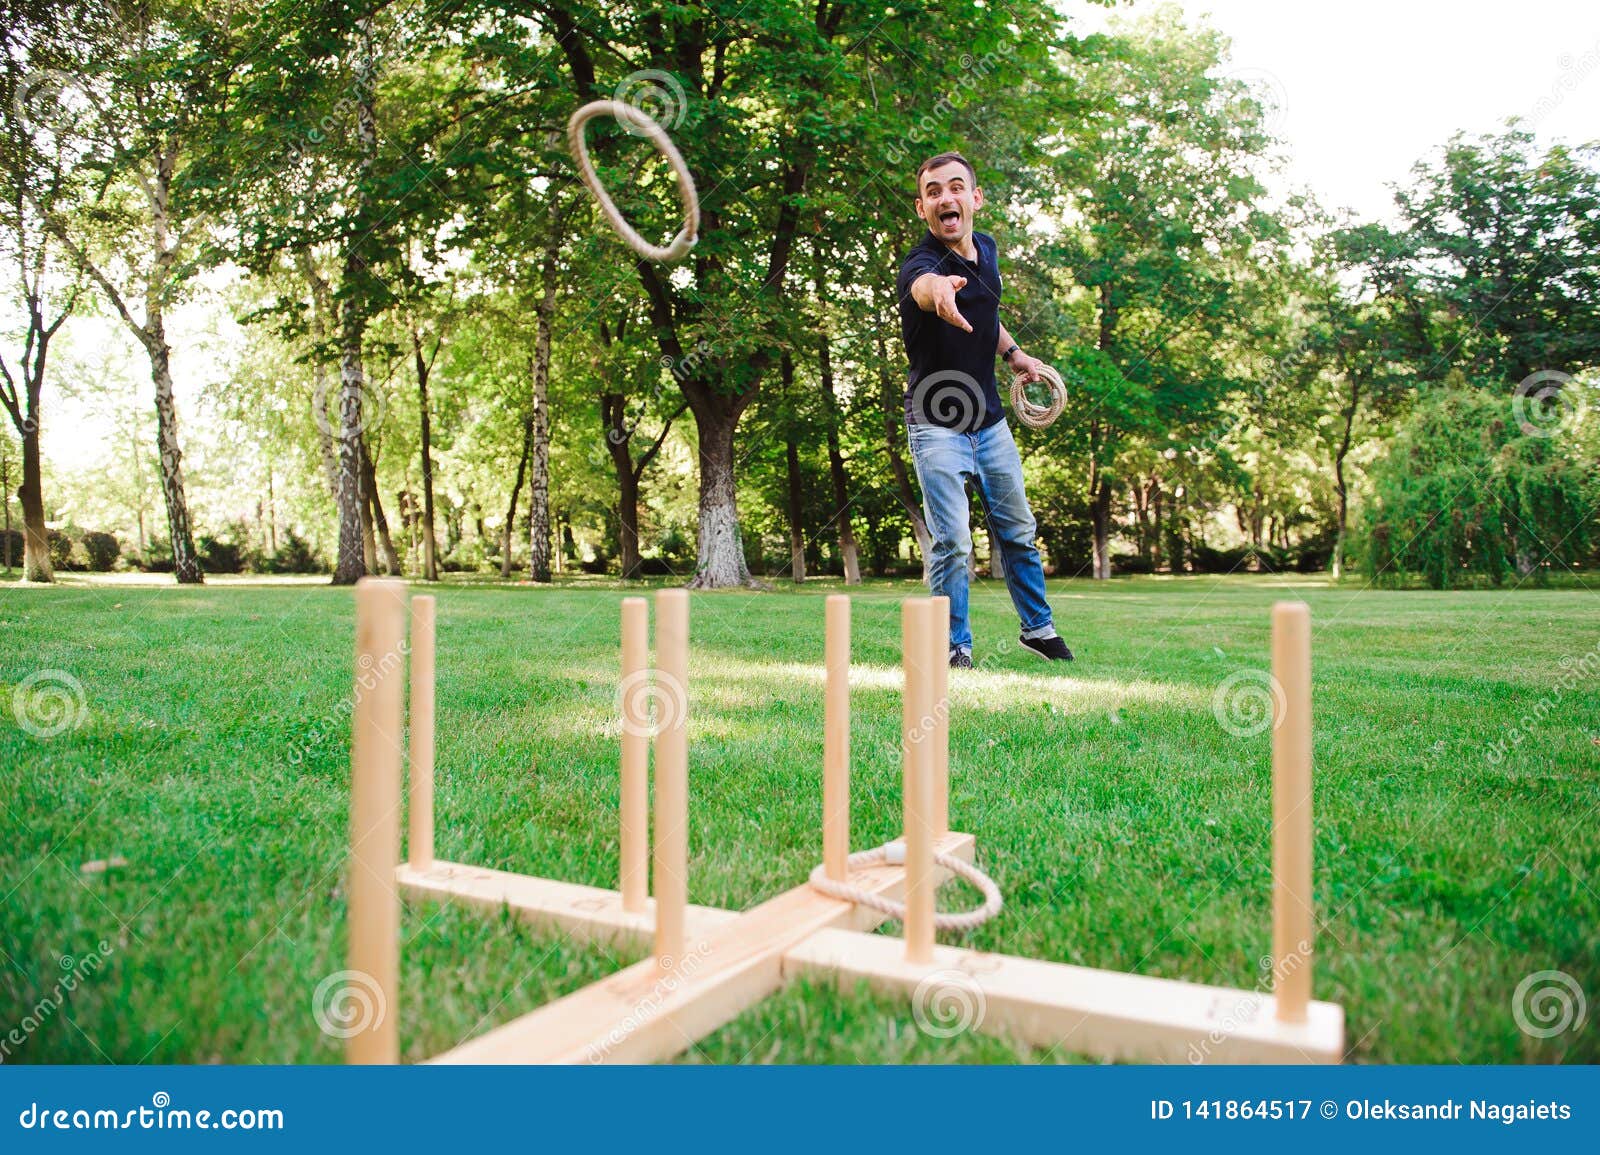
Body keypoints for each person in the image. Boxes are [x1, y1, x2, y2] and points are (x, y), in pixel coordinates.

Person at [896, 151, 1073, 668]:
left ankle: (1038, 630)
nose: (945, 198)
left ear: (975, 198)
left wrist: (1014, 355)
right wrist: (939, 293)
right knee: (951, 541)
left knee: (1018, 531)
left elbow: (988, 313)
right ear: (922, 207)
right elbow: (923, 289)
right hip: (935, 425)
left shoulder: (988, 250)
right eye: (933, 191)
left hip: (990, 422)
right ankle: (953, 647)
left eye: (956, 187)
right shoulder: (921, 264)